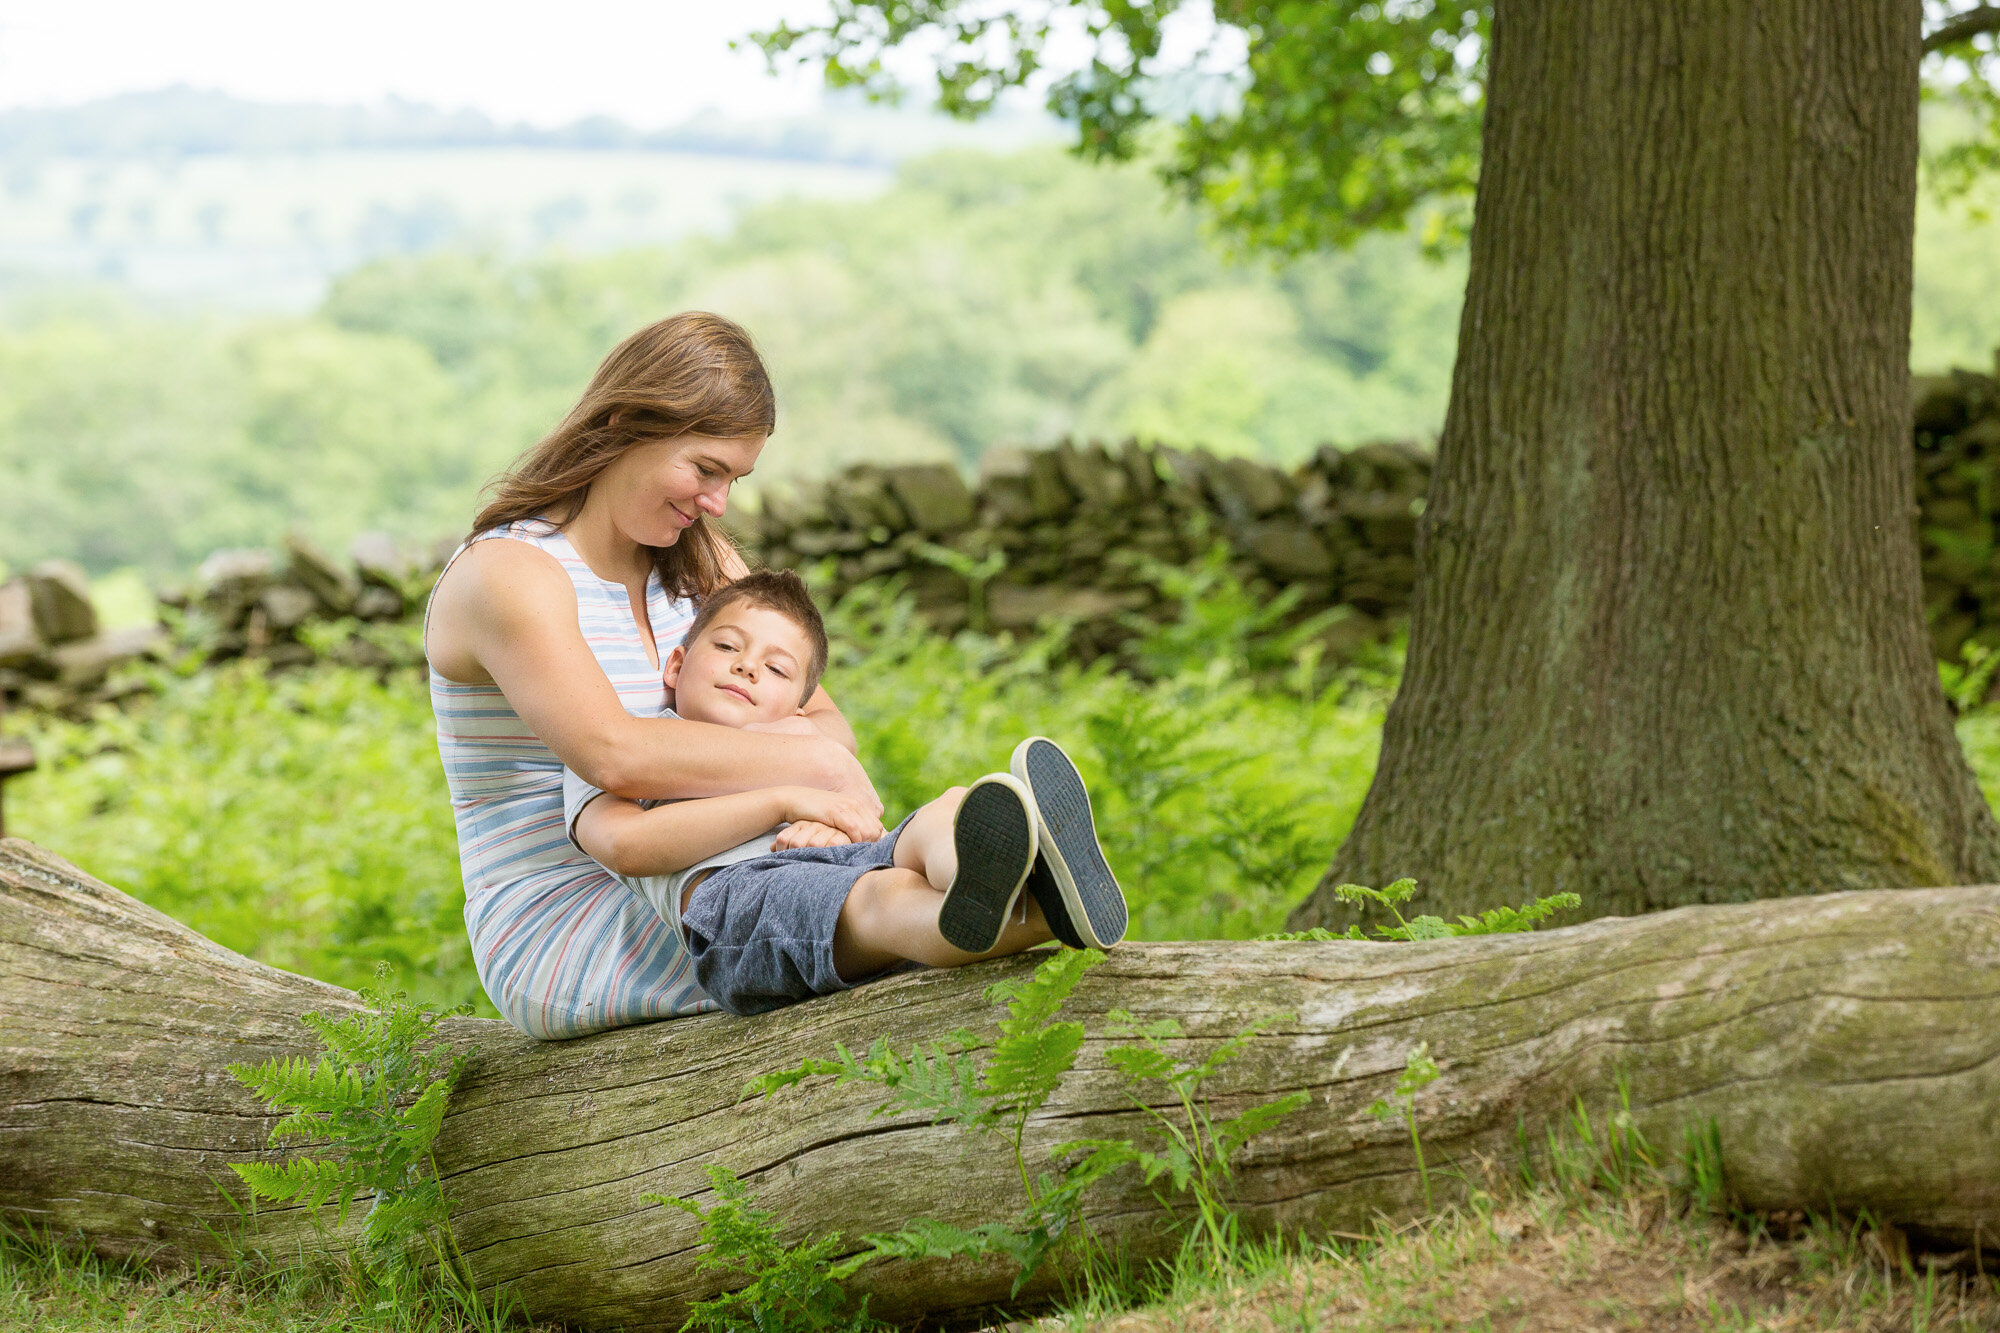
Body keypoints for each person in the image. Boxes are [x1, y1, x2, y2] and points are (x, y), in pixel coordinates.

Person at [425, 312, 888, 1038]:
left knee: (896, 883)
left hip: (722, 866)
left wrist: (811, 772)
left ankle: (1020, 891)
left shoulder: (702, 561)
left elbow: (829, 723)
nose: (717, 503)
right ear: (622, 424)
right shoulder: (510, 574)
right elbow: (618, 755)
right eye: (705, 469)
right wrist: (803, 779)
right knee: (871, 908)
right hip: (569, 923)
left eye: (733, 479)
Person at [561, 568, 1128, 1016]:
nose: (748, 668)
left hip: (836, 866)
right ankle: (1004, 895)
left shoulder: (797, 743)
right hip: (735, 907)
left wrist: (828, 825)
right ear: (677, 664)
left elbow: (858, 821)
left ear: (801, 706)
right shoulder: (634, 745)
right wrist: (786, 803)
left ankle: (1006, 888)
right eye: (729, 647)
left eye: (776, 670)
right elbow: (625, 847)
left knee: (949, 809)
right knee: (886, 895)